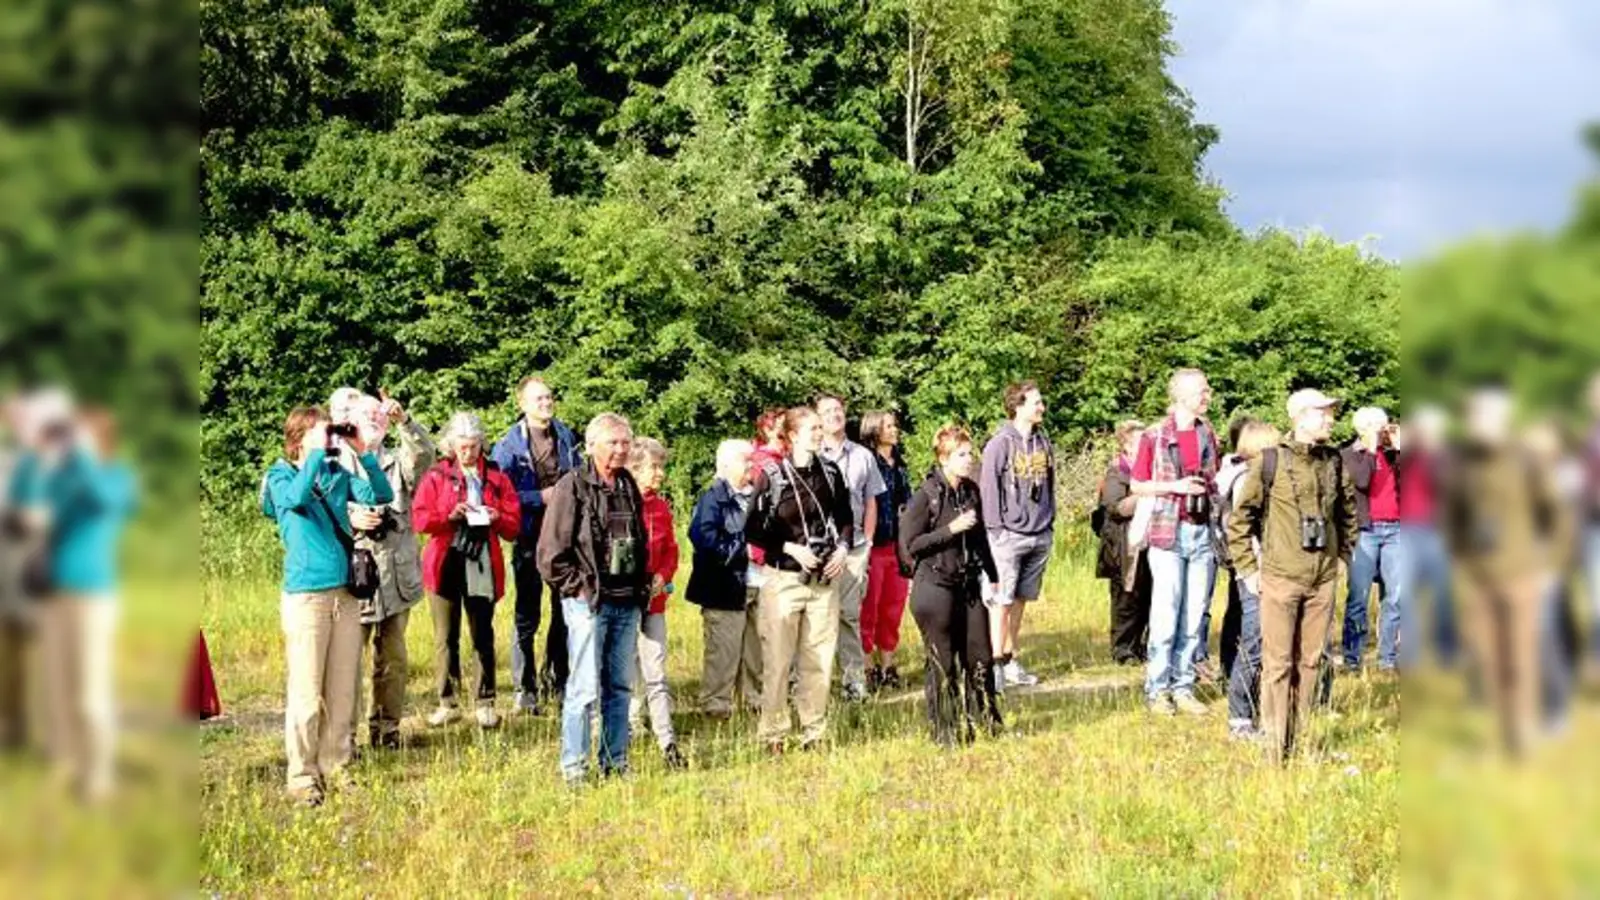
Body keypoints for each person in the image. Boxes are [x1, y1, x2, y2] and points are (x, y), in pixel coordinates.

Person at [261, 405, 394, 806]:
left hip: (345, 593)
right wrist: (316, 451)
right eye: (321, 434)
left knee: (341, 689)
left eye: (329, 434)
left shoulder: (338, 474)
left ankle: (337, 765)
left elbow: (381, 495)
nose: (329, 440)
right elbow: (296, 499)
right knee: (306, 689)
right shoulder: (280, 475)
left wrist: (363, 451)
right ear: (299, 439)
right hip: (307, 595)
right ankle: (302, 775)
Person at [1226, 388, 1357, 764]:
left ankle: (1299, 742)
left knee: (1312, 661)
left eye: (1332, 413)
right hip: (1280, 577)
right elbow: (1240, 521)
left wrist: (1343, 558)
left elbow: (1348, 514)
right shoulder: (1269, 462)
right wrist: (1248, 570)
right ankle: (1274, 748)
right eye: (1323, 413)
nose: (1330, 419)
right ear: (1299, 416)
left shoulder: (1334, 462)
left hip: (1322, 578)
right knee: (1278, 664)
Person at [1442, 387, 1572, 758]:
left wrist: (1551, 565)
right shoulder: (1463, 465)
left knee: (1521, 655)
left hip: (1522, 571)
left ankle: (1521, 734)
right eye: (1476, 417)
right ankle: (1503, 730)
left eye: (1490, 417)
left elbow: (1556, 514)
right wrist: (1461, 560)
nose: (1482, 424)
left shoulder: (1527, 460)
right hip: (1479, 576)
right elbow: (1453, 518)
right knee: (1488, 655)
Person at [539, 413, 652, 784]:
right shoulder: (572, 486)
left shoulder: (628, 486)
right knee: (584, 689)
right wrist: (579, 589)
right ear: (591, 446)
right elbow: (550, 554)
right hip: (590, 603)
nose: (621, 450)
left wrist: (641, 587)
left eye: (626, 443)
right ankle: (574, 769)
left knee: (619, 688)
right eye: (613, 443)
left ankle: (615, 763)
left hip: (626, 601)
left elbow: (639, 541)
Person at [330, 388, 436, 750]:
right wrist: (350, 515)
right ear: (351, 424)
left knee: (393, 660)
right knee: (348, 664)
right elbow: (318, 507)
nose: (374, 420)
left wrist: (405, 421)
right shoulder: (336, 462)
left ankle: (386, 730)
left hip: (396, 575)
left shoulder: (395, 460)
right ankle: (346, 738)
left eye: (380, 415)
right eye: (367, 415)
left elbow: (425, 456)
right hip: (354, 575)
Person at [747, 406, 853, 753]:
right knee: (777, 662)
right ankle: (773, 733)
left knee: (818, 659)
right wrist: (791, 547)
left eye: (821, 429)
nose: (820, 435)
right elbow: (752, 529)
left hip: (823, 581)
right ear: (792, 436)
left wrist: (842, 549)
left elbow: (846, 518)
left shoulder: (831, 473)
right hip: (784, 580)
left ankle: (814, 731)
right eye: (813, 430)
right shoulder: (773, 476)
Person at [413, 413, 521, 730]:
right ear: (451, 446)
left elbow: (514, 527)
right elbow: (420, 520)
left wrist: (496, 515)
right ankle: (448, 702)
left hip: (481, 557)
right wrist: (449, 515)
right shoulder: (436, 476)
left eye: (473, 446)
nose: (468, 453)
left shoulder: (497, 477)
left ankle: (485, 701)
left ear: (481, 444)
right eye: (462, 446)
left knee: (482, 632)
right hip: (445, 560)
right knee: (445, 635)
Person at [900, 425, 1003, 746]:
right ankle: (945, 731)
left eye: (970, 454)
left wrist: (993, 574)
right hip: (934, 586)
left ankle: (985, 720)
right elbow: (910, 544)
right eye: (961, 455)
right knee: (943, 662)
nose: (968, 460)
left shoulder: (970, 491)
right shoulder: (926, 496)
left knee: (980, 655)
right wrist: (950, 529)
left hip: (968, 584)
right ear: (943, 458)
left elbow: (981, 536)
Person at [490, 375, 584, 713]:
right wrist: (539, 497)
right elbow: (500, 494)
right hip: (529, 536)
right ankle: (524, 688)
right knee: (527, 614)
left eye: (548, 397)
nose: (545, 403)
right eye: (538, 399)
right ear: (523, 405)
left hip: (565, 537)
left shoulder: (567, 437)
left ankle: (558, 680)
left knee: (565, 611)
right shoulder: (507, 446)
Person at [1131, 369, 1222, 715]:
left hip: (1201, 531)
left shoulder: (1207, 432)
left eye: (1207, 389)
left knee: (1194, 614)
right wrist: (1177, 487)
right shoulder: (1154, 436)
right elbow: (1137, 485)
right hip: (1168, 532)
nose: (1207, 395)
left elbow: (1212, 478)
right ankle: (1158, 689)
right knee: (1166, 613)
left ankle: (1184, 686)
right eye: (1202, 390)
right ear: (1181, 395)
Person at [979, 380, 1056, 692]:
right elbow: (988, 489)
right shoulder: (999, 443)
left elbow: (1051, 483)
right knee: (1001, 601)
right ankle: (994, 664)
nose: (1041, 407)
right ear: (1018, 406)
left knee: (1021, 599)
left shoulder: (1043, 441)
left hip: (1039, 532)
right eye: (1035, 402)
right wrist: (996, 531)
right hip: (1008, 535)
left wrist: (1049, 521)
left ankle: (1010, 659)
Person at [815, 394, 885, 702]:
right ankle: (810, 685)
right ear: (818, 418)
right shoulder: (809, 454)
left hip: (855, 548)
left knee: (849, 616)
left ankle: (854, 684)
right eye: (827, 411)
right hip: (818, 551)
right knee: (815, 618)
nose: (834, 415)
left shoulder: (862, 456)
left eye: (838, 410)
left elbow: (871, 501)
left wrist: (868, 542)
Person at [1214, 419, 1281, 741]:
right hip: (1253, 570)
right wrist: (1254, 571)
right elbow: (1243, 528)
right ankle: (1240, 717)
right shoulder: (1245, 479)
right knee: (1254, 642)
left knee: (1263, 640)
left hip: (1264, 568)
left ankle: (1265, 711)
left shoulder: (1252, 475)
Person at [688, 439, 763, 719]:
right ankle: (716, 706)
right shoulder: (713, 498)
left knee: (757, 650)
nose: (751, 467)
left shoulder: (758, 494)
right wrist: (743, 550)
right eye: (746, 461)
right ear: (727, 465)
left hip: (760, 582)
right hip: (725, 585)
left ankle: (754, 700)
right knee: (724, 650)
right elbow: (703, 539)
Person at [626, 438, 686, 770]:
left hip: (655, 600)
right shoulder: (620, 501)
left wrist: (663, 575)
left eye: (661, 466)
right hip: (623, 599)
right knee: (625, 665)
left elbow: (672, 551)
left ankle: (667, 740)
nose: (660, 473)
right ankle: (630, 721)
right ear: (635, 469)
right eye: (654, 467)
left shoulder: (661, 507)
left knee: (656, 668)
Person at [1341, 407, 1406, 673]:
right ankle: (1352, 659)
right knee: (1359, 596)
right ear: (1362, 428)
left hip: (1397, 528)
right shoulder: (1348, 454)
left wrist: (1402, 450)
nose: (1382, 431)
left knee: (1396, 596)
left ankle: (1387, 657)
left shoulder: (1393, 455)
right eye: (1376, 426)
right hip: (1365, 531)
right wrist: (1369, 449)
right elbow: (1362, 480)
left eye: (1385, 425)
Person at [1398, 405, 1458, 668]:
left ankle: (1447, 651)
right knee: (1407, 594)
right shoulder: (1407, 456)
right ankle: (1410, 653)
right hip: (1407, 530)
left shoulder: (1445, 457)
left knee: (1442, 593)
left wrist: (1435, 453)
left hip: (1437, 531)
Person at [859, 410, 913, 691]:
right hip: (874, 545)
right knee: (870, 607)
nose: (894, 430)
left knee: (894, 606)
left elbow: (909, 504)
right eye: (888, 426)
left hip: (898, 545)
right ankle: (867, 666)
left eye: (894, 425)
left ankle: (888, 664)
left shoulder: (900, 465)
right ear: (874, 430)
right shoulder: (868, 463)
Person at [1095, 420, 1150, 666]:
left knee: (1147, 596)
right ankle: (1123, 650)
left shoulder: (1151, 471)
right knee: (1125, 599)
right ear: (1126, 445)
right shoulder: (1117, 471)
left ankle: (1140, 646)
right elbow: (1115, 507)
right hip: (1121, 545)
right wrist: (1148, 493)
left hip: (1146, 543)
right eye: (1140, 442)